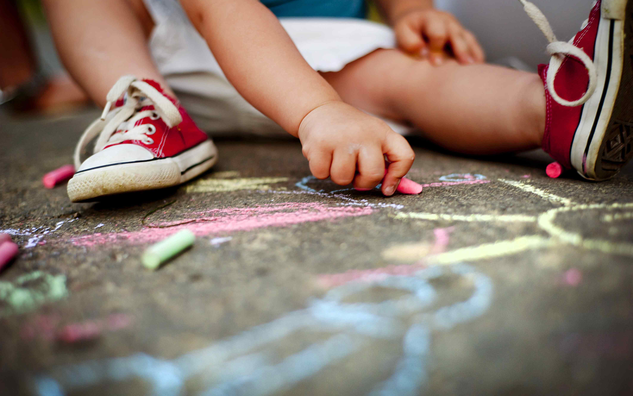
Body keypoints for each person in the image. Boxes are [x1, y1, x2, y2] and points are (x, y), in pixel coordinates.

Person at [41, 0, 632, 202]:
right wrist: (315, 111)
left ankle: (559, 109)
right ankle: (142, 109)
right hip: (167, 51)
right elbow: (219, 11)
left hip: (323, 46)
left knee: (419, 77)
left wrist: (410, 13)